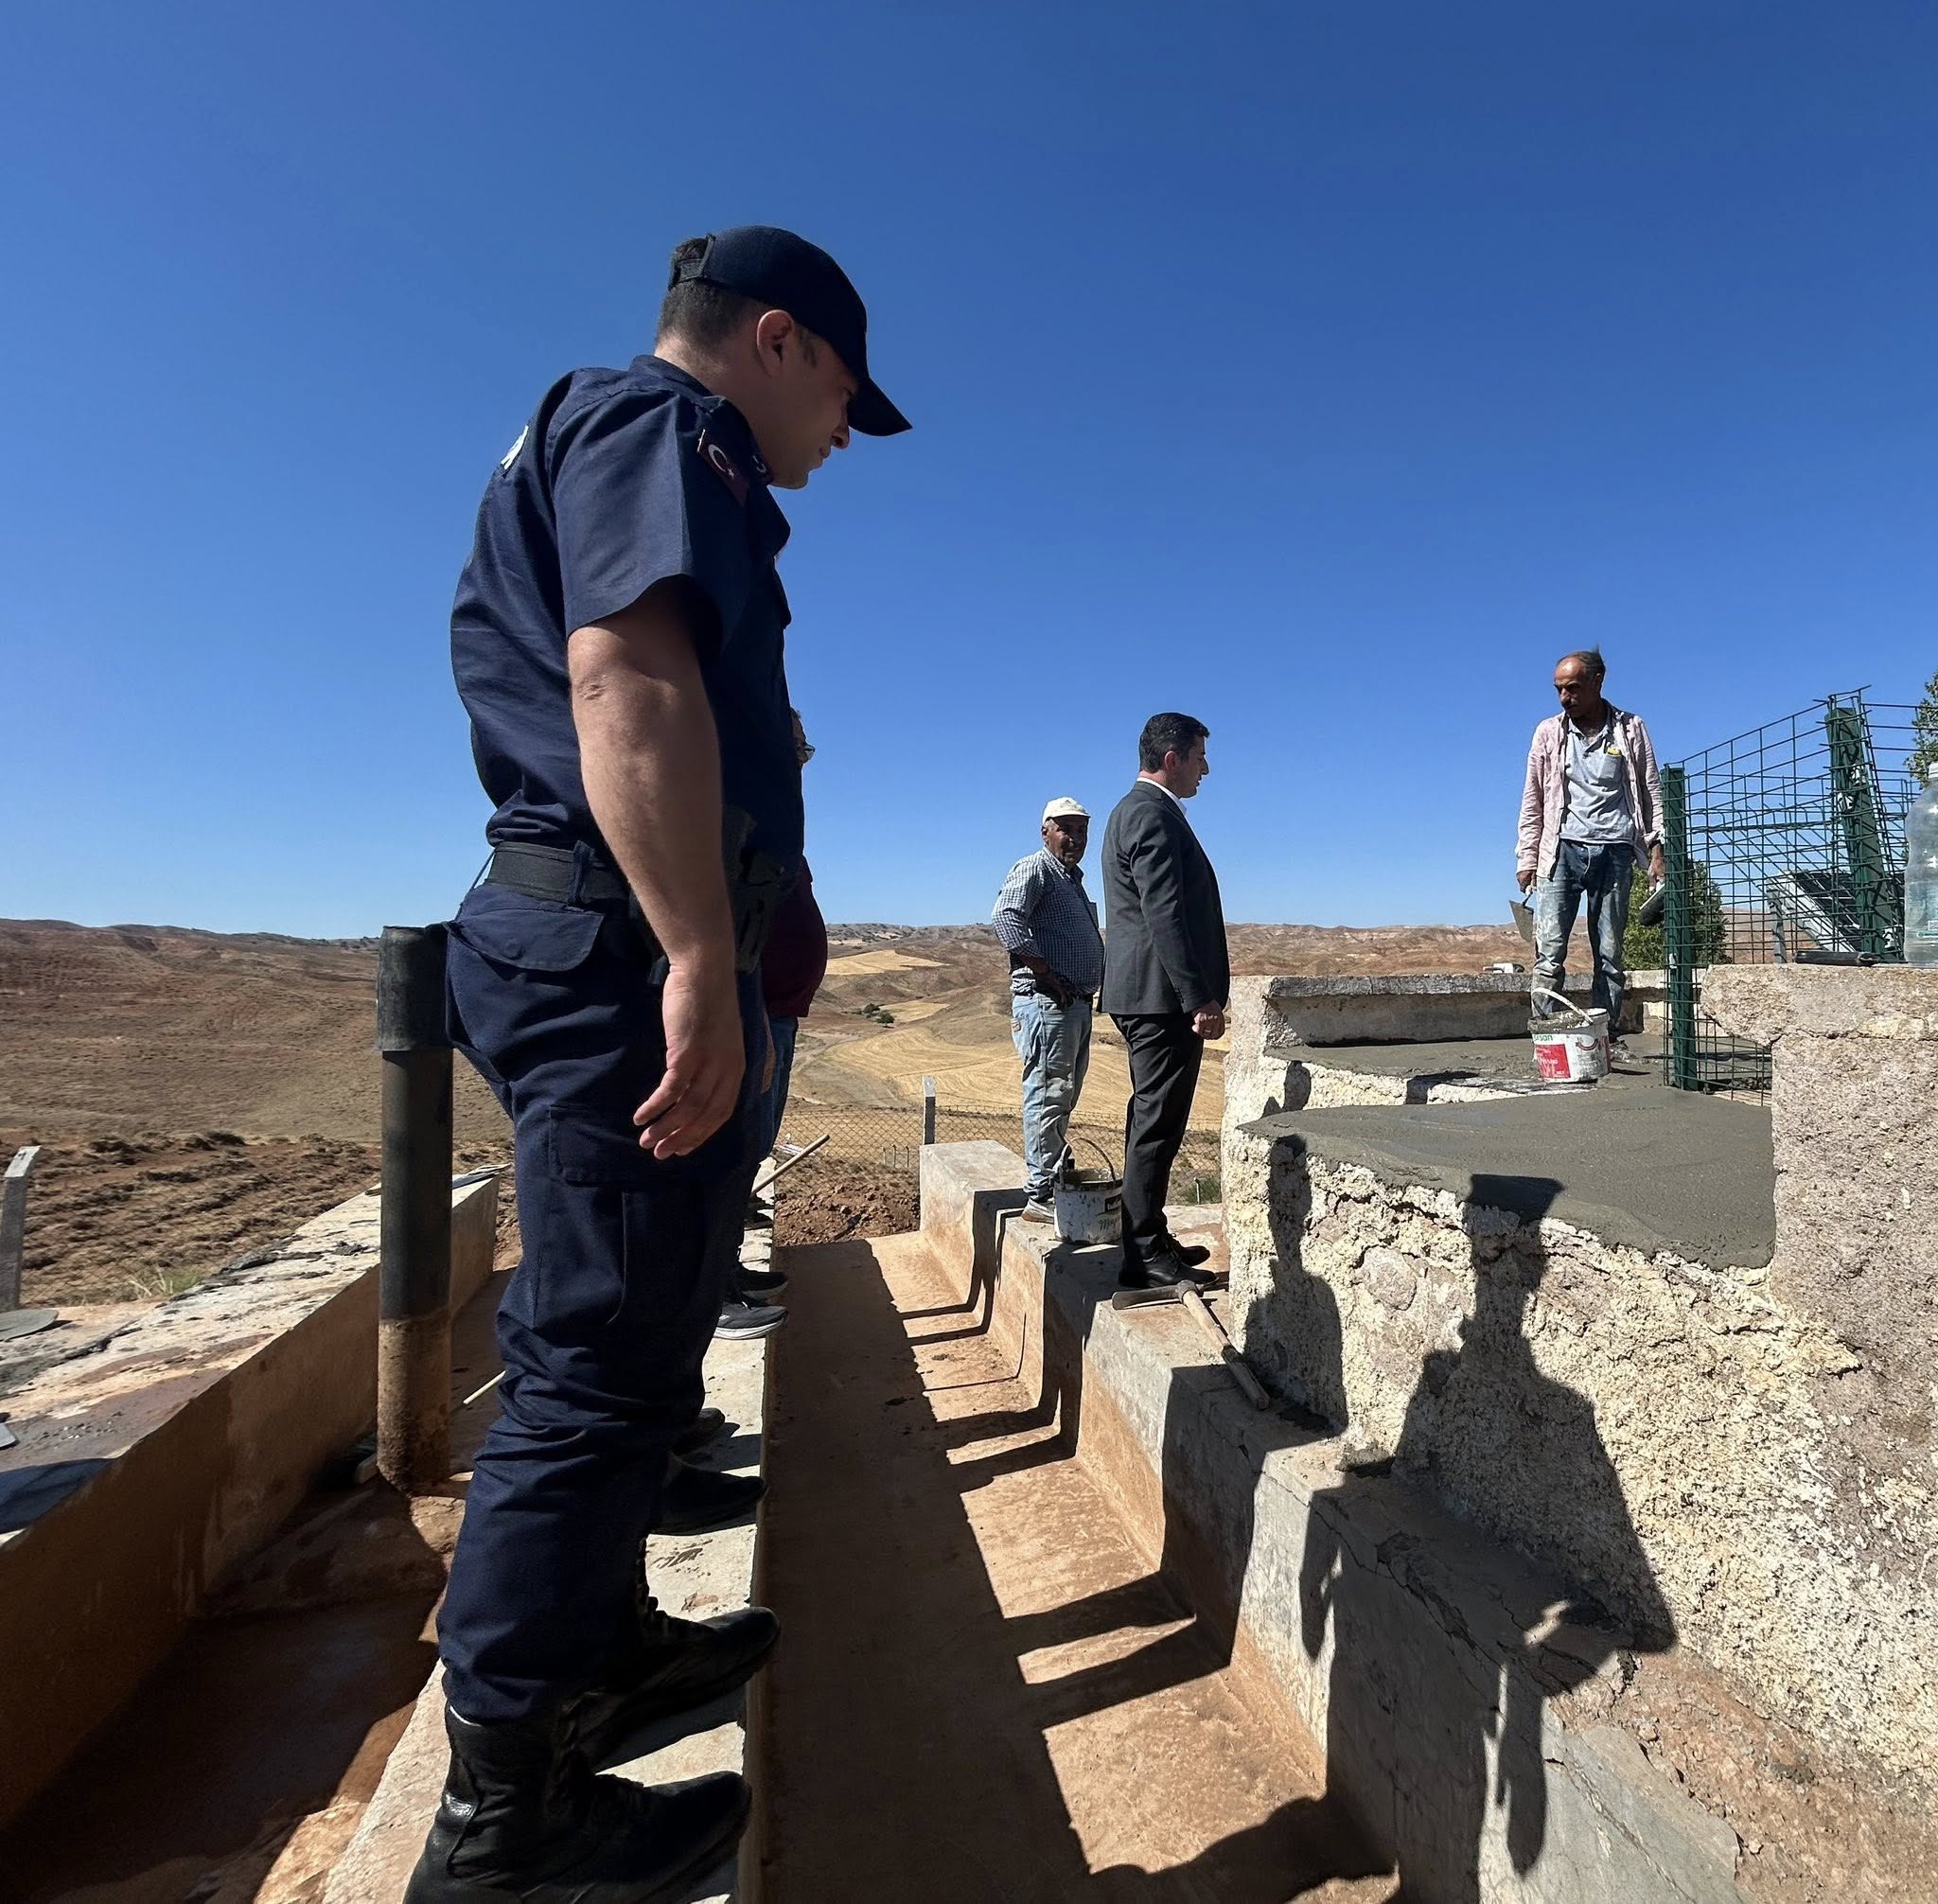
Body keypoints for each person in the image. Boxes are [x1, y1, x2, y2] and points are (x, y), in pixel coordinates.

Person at [420, 226, 907, 1904]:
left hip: (601, 948)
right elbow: (623, 670)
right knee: (587, 1364)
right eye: (844, 391)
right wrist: (700, 954)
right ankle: (506, 1815)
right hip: (616, 959)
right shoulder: (658, 427)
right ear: (776, 341)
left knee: (632, 1344)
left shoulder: (617, 431)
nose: (842, 432)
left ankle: (603, 1639)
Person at [1099, 714, 1229, 1290]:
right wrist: (1198, 997)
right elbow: (1165, 915)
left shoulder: (1135, 810)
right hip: (1160, 998)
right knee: (1157, 1124)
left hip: (1149, 994)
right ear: (1172, 757)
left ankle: (1147, 1238)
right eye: (1200, 756)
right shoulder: (1151, 813)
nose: (1207, 768)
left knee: (1150, 1120)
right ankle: (1145, 1255)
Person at [715, 708, 827, 1337]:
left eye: (803, 752)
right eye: (792, 750)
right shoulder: (737, 813)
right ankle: (712, 1288)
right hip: (752, 1012)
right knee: (730, 1149)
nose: (798, 762)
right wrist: (749, 1011)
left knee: (750, 1148)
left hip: (776, 1012)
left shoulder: (776, 826)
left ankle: (726, 1268)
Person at [1517, 648, 1664, 1043]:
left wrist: (1656, 849)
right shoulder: (1548, 732)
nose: (1566, 698)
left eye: (1574, 688)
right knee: (1548, 954)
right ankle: (1546, 1038)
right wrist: (1526, 857)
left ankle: (1605, 1040)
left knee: (1610, 954)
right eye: (1559, 690)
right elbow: (1533, 798)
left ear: (1598, 682)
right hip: (1560, 851)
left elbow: (1650, 789)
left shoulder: (1631, 729)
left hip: (1615, 849)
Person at [992, 797, 1106, 1221]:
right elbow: (1006, 918)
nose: (1074, 838)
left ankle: (1051, 1177)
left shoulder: (1071, 879)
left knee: (1063, 1094)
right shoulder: (1035, 868)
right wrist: (1046, 973)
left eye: (1081, 831)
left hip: (1072, 1003)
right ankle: (1041, 1194)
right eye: (1065, 829)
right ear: (1046, 831)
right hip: (1047, 1003)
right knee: (1047, 1093)